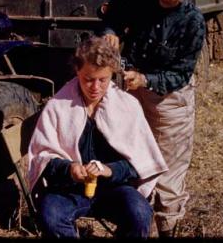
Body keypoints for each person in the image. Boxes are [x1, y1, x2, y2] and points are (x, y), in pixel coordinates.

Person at [98, 0, 206, 237]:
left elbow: (180, 74)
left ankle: (168, 228)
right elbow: (114, 15)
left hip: (170, 100)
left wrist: (146, 79)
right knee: (131, 159)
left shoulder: (193, 23)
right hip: (132, 90)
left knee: (168, 175)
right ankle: (134, 225)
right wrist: (110, 31)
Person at [27, 36, 168, 238]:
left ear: (112, 74)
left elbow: (139, 164)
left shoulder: (127, 106)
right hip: (70, 189)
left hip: (114, 189)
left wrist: (109, 170)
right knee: (51, 215)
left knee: (140, 214)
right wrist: (70, 168)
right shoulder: (58, 106)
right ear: (77, 71)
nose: (95, 87)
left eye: (103, 80)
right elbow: (42, 159)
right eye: (88, 79)